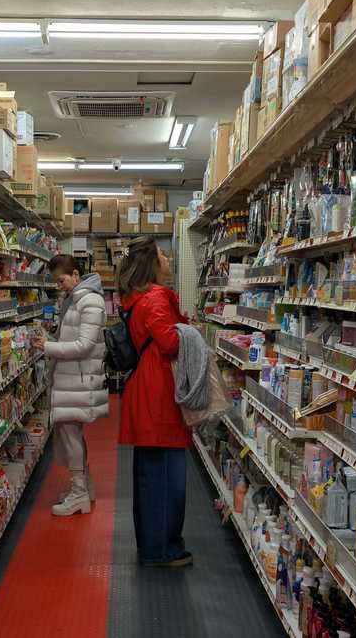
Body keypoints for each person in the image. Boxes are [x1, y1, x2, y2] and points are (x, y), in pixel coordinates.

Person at [117, 236, 193, 567]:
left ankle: (152, 544)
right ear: (152, 263)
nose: (168, 259)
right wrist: (191, 331)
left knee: (150, 474)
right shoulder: (156, 298)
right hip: (159, 393)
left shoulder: (137, 299)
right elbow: (170, 342)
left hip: (146, 389)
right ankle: (163, 548)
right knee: (166, 476)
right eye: (163, 254)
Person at [31, 255, 108, 516]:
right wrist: (50, 337)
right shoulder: (74, 299)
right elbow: (72, 338)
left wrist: (49, 347)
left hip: (78, 380)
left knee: (70, 435)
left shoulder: (90, 301)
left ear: (76, 275)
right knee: (71, 434)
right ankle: (85, 488)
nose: (59, 286)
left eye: (61, 280)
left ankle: (79, 494)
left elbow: (84, 346)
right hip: (71, 378)